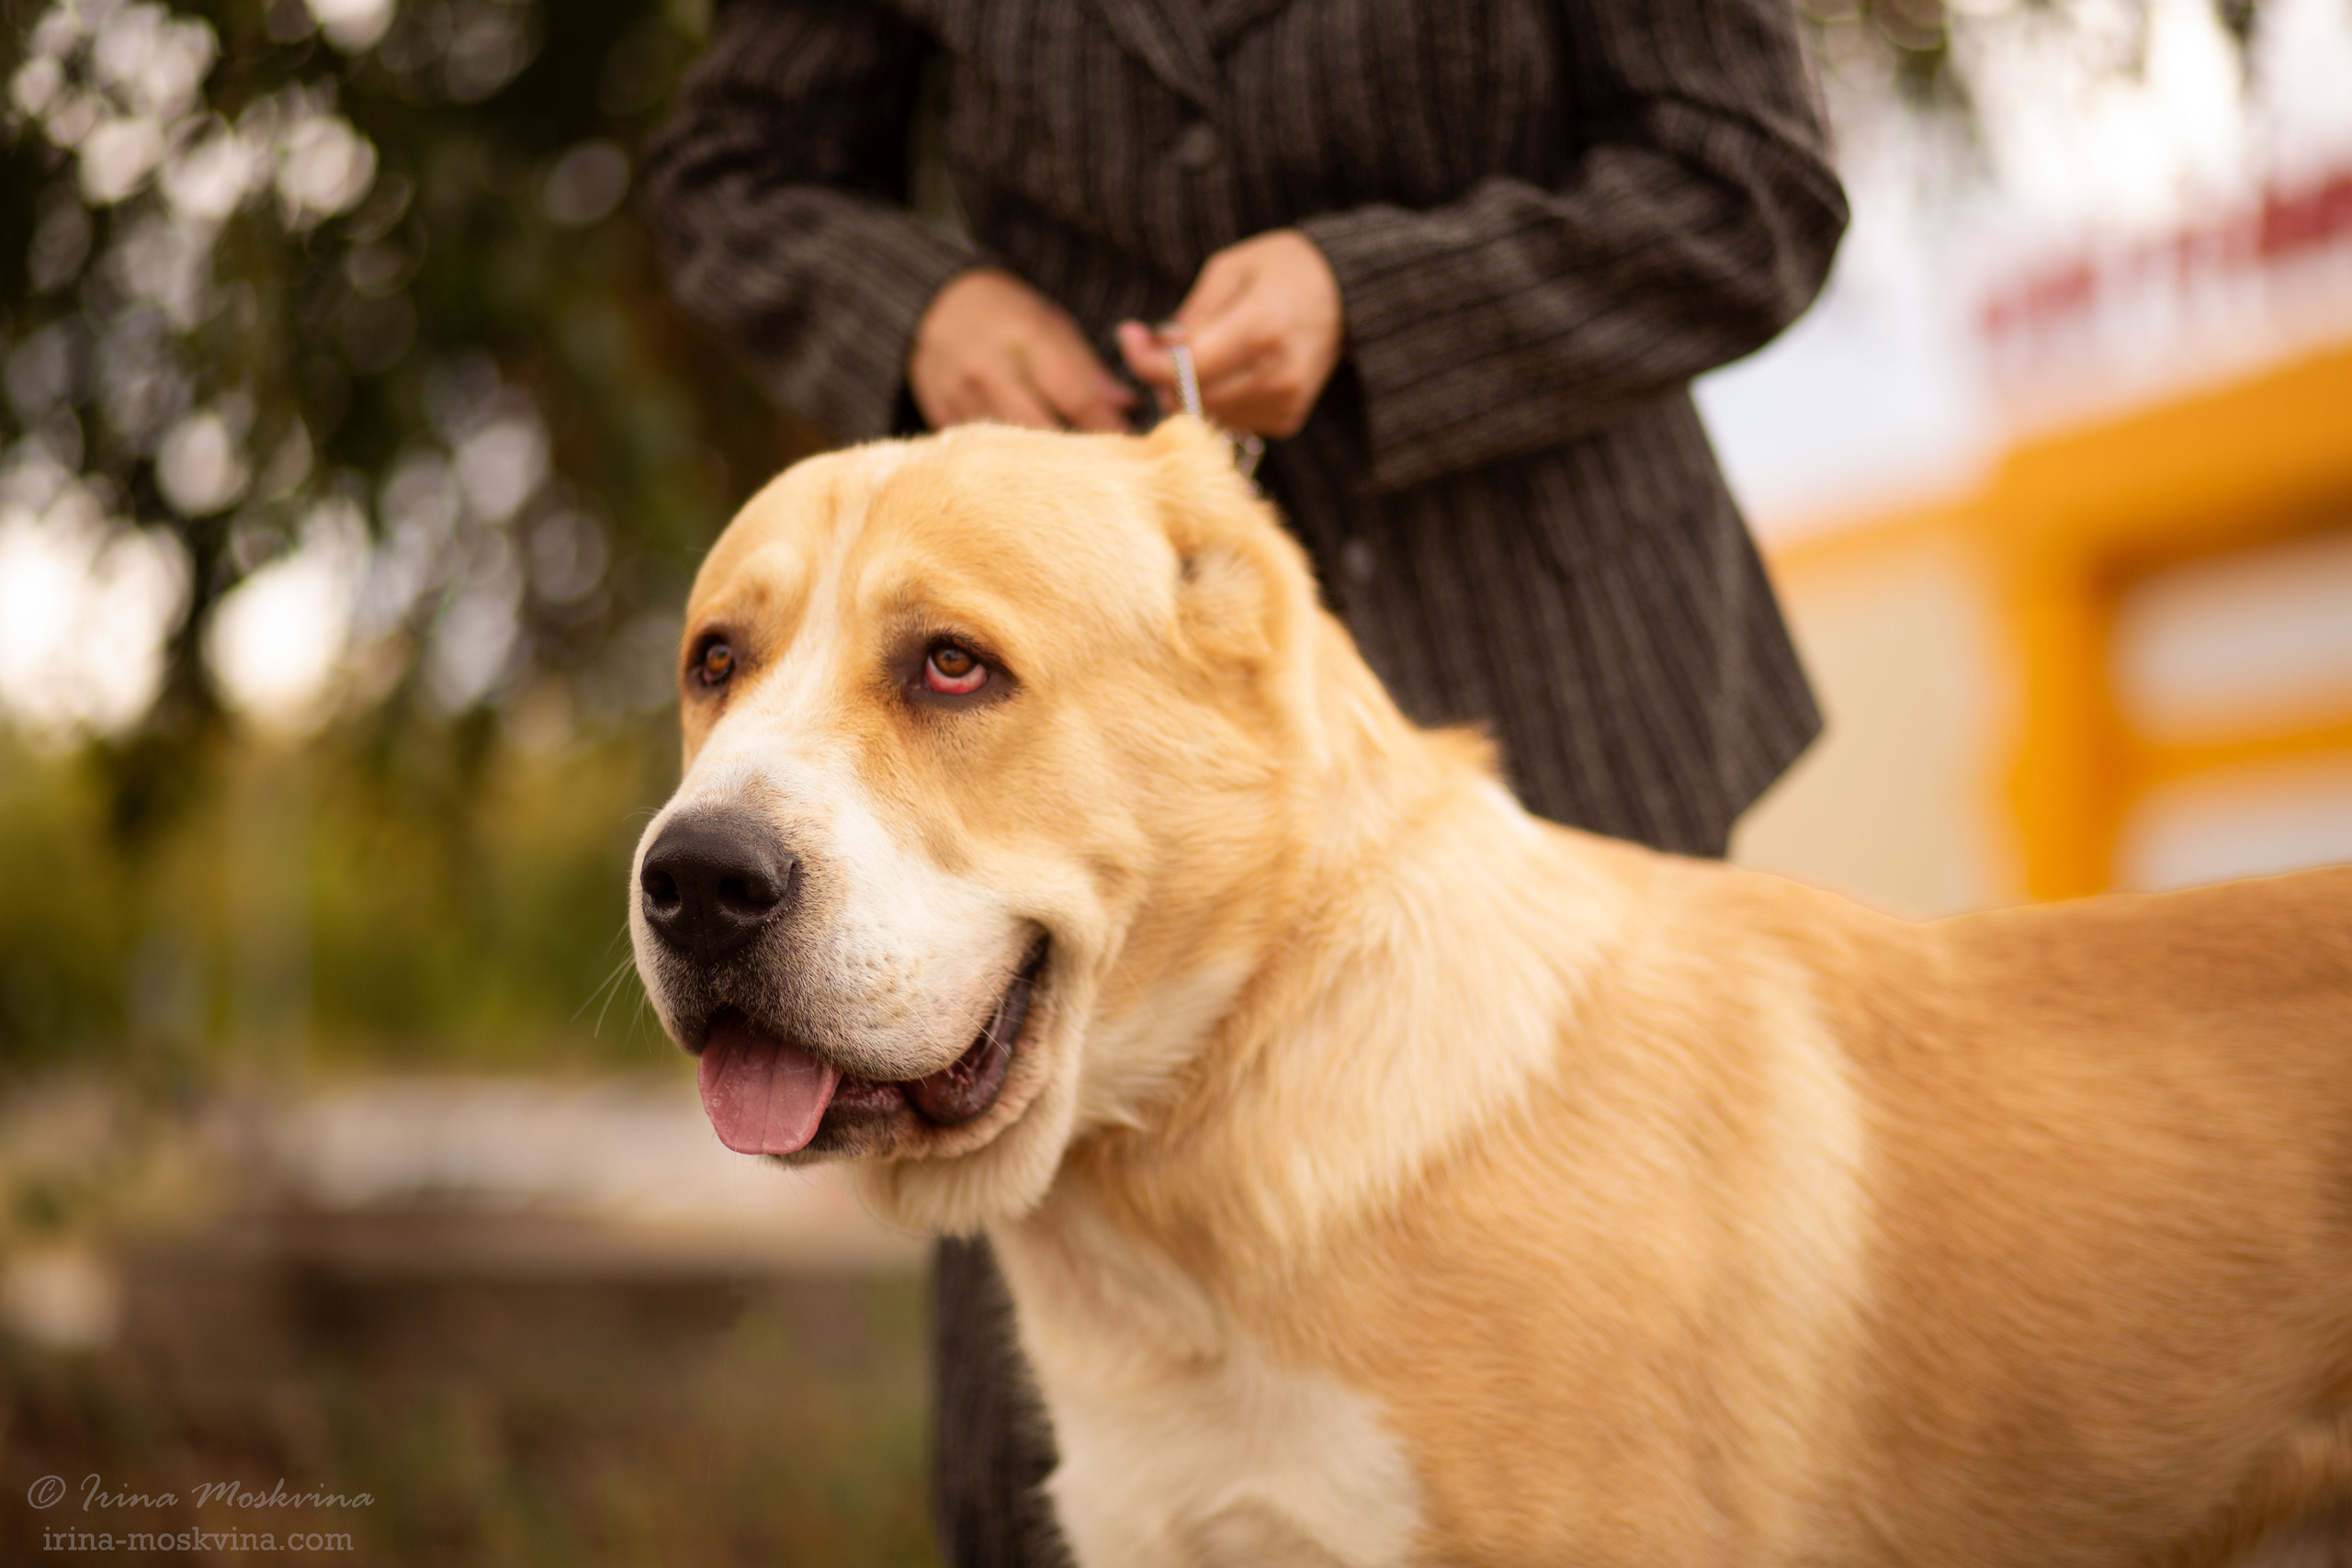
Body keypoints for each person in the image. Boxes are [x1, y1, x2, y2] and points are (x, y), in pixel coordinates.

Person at [641, 2, 1847, 1561]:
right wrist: (919, 308)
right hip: (1032, 736)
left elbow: (1750, 179)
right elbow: (737, 166)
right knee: (1044, 1505)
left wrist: (1380, 299)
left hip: (1557, 675)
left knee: (1585, 1482)